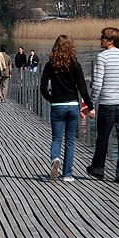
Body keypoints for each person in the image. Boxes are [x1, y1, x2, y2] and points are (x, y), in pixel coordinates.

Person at [40, 35, 94, 182]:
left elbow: (43, 88)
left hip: (57, 105)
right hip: (72, 105)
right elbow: (83, 89)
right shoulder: (75, 65)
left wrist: (52, 99)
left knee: (56, 138)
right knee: (70, 140)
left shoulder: (50, 65)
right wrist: (90, 106)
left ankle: (55, 159)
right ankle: (67, 174)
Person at [87, 26, 119, 183]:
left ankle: (98, 169)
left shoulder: (103, 57)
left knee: (103, 137)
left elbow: (98, 84)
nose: (100, 39)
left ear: (110, 41)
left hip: (108, 103)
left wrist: (90, 103)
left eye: (103, 37)